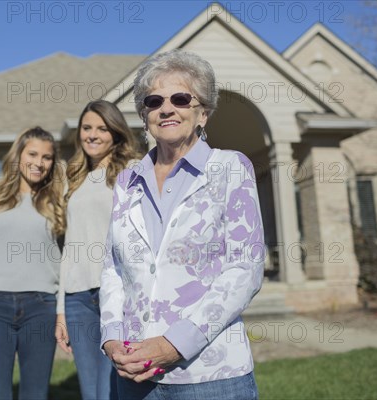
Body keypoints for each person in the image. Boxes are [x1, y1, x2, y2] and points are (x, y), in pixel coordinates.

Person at [99, 49, 265, 400]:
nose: (166, 108)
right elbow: (113, 268)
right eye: (154, 100)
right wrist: (112, 337)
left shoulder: (230, 169)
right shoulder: (127, 181)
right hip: (134, 374)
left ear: (203, 112)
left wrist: (174, 344)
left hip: (211, 376)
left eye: (180, 98)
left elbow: (244, 268)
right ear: (144, 116)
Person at [55, 100, 140, 399]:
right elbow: (69, 248)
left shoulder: (132, 172)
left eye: (102, 128)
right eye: (87, 128)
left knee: (114, 389)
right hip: (78, 299)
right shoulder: (73, 179)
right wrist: (61, 310)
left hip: (116, 295)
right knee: (91, 392)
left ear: (116, 133)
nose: (92, 135)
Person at [0, 127, 66, 400]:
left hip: (42, 306)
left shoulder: (58, 202)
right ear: (18, 155)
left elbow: (68, 261)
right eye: (33, 154)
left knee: (35, 394)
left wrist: (62, 312)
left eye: (47, 157)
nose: (39, 163)